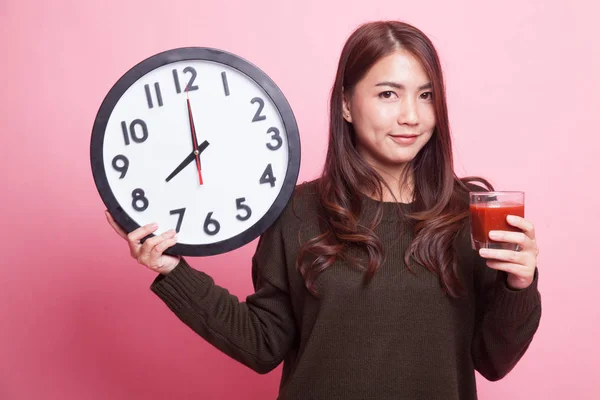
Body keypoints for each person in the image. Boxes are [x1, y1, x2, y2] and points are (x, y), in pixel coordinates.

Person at [105, 20, 541, 400]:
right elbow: (262, 343)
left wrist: (519, 286)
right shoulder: (298, 211)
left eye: (425, 95)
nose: (411, 115)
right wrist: (172, 270)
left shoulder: (471, 213)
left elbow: (493, 360)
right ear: (347, 105)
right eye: (389, 94)